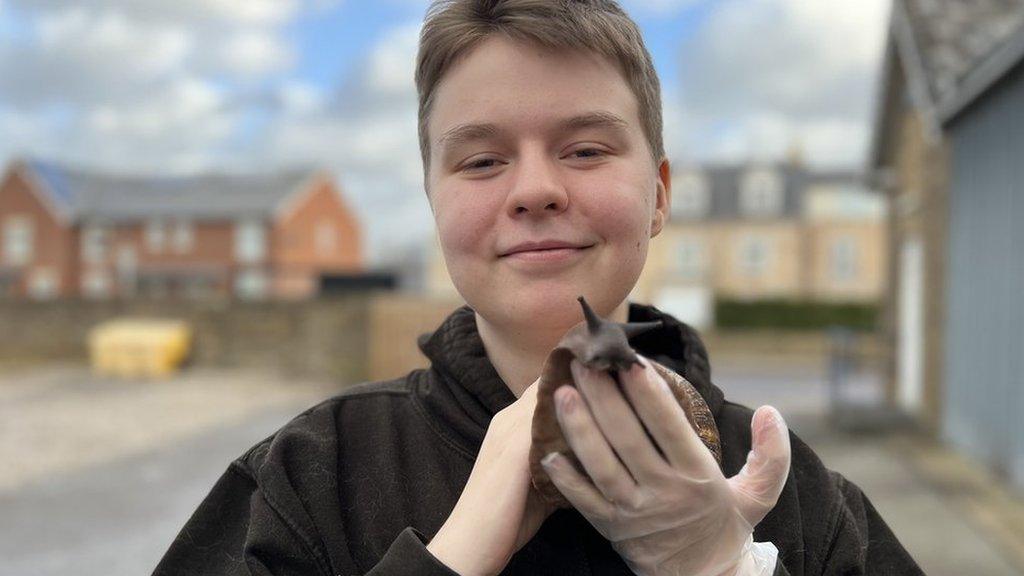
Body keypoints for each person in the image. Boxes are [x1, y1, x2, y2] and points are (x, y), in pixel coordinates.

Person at [154, 1, 924, 574]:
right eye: (481, 161)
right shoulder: (307, 481)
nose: (534, 190)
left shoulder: (807, 505)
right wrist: (449, 559)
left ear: (659, 196)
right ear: (434, 204)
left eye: (585, 149)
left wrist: (724, 564)